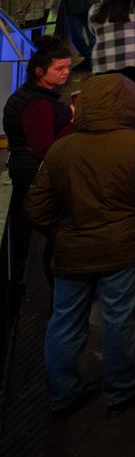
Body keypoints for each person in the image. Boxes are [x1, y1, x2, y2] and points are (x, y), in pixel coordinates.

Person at [27, 73, 135, 413]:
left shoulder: (61, 148)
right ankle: (122, 389)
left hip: (71, 252)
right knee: (118, 318)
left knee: (65, 320)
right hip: (122, 249)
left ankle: (62, 394)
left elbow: (35, 209)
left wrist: (61, 233)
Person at [4, 37, 74, 296]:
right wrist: (74, 119)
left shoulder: (31, 96)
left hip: (27, 167)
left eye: (68, 67)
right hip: (35, 172)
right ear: (39, 71)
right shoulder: (38, 104)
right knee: (53, 234)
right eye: (59, 69)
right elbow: (47, 148)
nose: (66, 73)